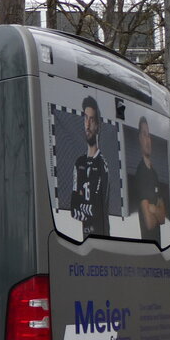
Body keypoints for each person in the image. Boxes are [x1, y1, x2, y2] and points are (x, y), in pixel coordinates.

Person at [70, 95, 110, 238]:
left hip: (102, 238)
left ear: (97, 125)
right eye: (85, 118)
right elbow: (73, 208)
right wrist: (85, 208)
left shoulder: (102, 165)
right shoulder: (79, 163)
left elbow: (97, 209)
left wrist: (84, 207)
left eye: (91, 120)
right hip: (84, 238)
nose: (87, 125)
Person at [131, 116, 168, 243]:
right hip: (147, 244)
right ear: (139, 139)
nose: (147, 140)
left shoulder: (154, 173)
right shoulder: (141, 173)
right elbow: (149, 223)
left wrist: (153, 209)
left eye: (149, 136)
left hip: (159, 246)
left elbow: (163, 218)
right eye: (144, 134)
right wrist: (155, 211)